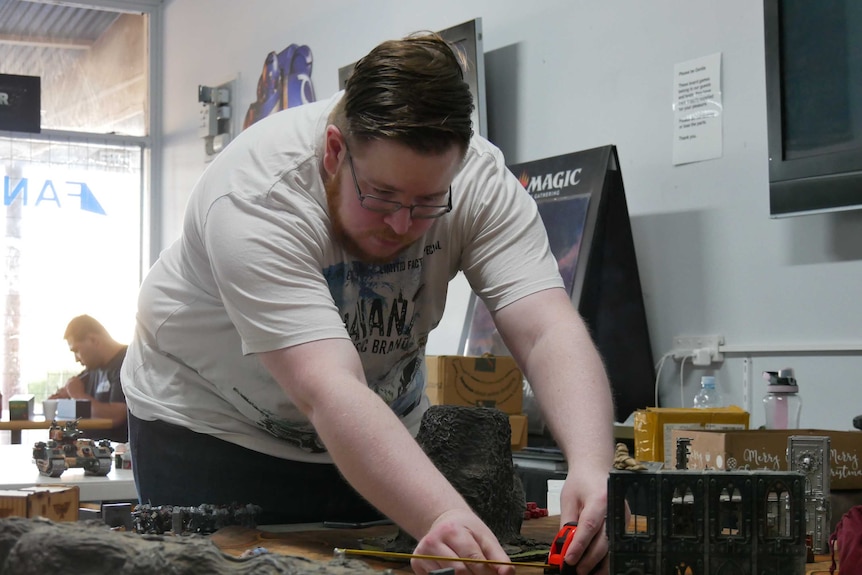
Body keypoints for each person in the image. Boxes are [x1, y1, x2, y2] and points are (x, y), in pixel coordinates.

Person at [122, 32, 615, 575]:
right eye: (380, 195)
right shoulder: (258, 196)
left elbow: (547, 330)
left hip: (376, 433)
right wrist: (443, 511)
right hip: (211, 428)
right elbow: (329, 389)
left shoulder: (480, 182)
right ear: (335, 151)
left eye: (428, 202)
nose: (402, 225)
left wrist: (593, 469)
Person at [51, 315, 129, 442]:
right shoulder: (93, 368)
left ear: (93, 340)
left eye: (76, 350)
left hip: (118, 452)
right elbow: (71, 394)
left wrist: (77, 395)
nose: (76, 359)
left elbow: (116, 416)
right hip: (90, 449)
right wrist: (62, 397)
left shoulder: (128, 363)